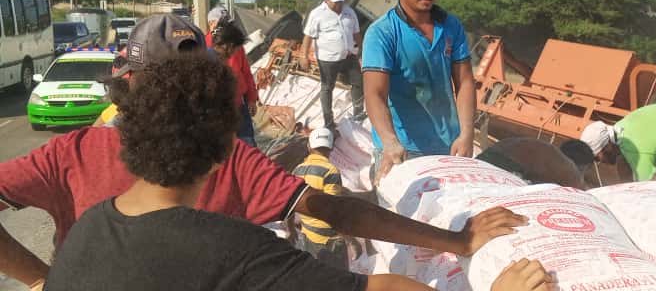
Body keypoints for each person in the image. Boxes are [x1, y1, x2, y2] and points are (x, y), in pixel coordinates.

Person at [0, 14, 526, 290]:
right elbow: (347, 239)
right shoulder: (235, 247)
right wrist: (457, 243)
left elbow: (333, 211)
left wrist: (47, 277)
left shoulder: (89, 226)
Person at [362, 0, 476, 184]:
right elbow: (375, 94)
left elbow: (464, 82)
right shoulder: (382, 33)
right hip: (403, 150)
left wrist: (466, 133)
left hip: (448, 146)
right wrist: (389, 142)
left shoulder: (451, 26)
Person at [300, 0, 365, 131]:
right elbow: (308, 37)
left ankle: (359, 113)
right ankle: (328, 120)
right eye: (335, 2)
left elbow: (356, 33)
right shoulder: (317, 14)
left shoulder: (349, 12)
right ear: (327, 0)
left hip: (349, 55)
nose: (338, 5)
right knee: (327, 87)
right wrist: (303, 56)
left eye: (340, 2)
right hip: (328, 59)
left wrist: (361, 51)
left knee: (358, 82)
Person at [289, 127, 348, 268]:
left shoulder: (298, 170)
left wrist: (291, 228)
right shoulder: (330, 171)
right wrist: (349, 238)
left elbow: (290, 202)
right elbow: (333, 209)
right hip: (329, 240)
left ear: (309, 147)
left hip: (308, 235)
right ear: (331, 148)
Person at [206, 6, 260, 148]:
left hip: (238, 104)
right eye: (223, 23)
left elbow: (246, 73)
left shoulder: (236, 45)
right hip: (218, 110)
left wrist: (252, 99)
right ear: (212, 24)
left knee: (248, 145)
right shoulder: (203, 48)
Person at [475, 138, 593, 189]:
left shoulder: (551, 157)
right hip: (504, 164)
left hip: (486, 159)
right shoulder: (571, 171)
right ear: (584, 167)